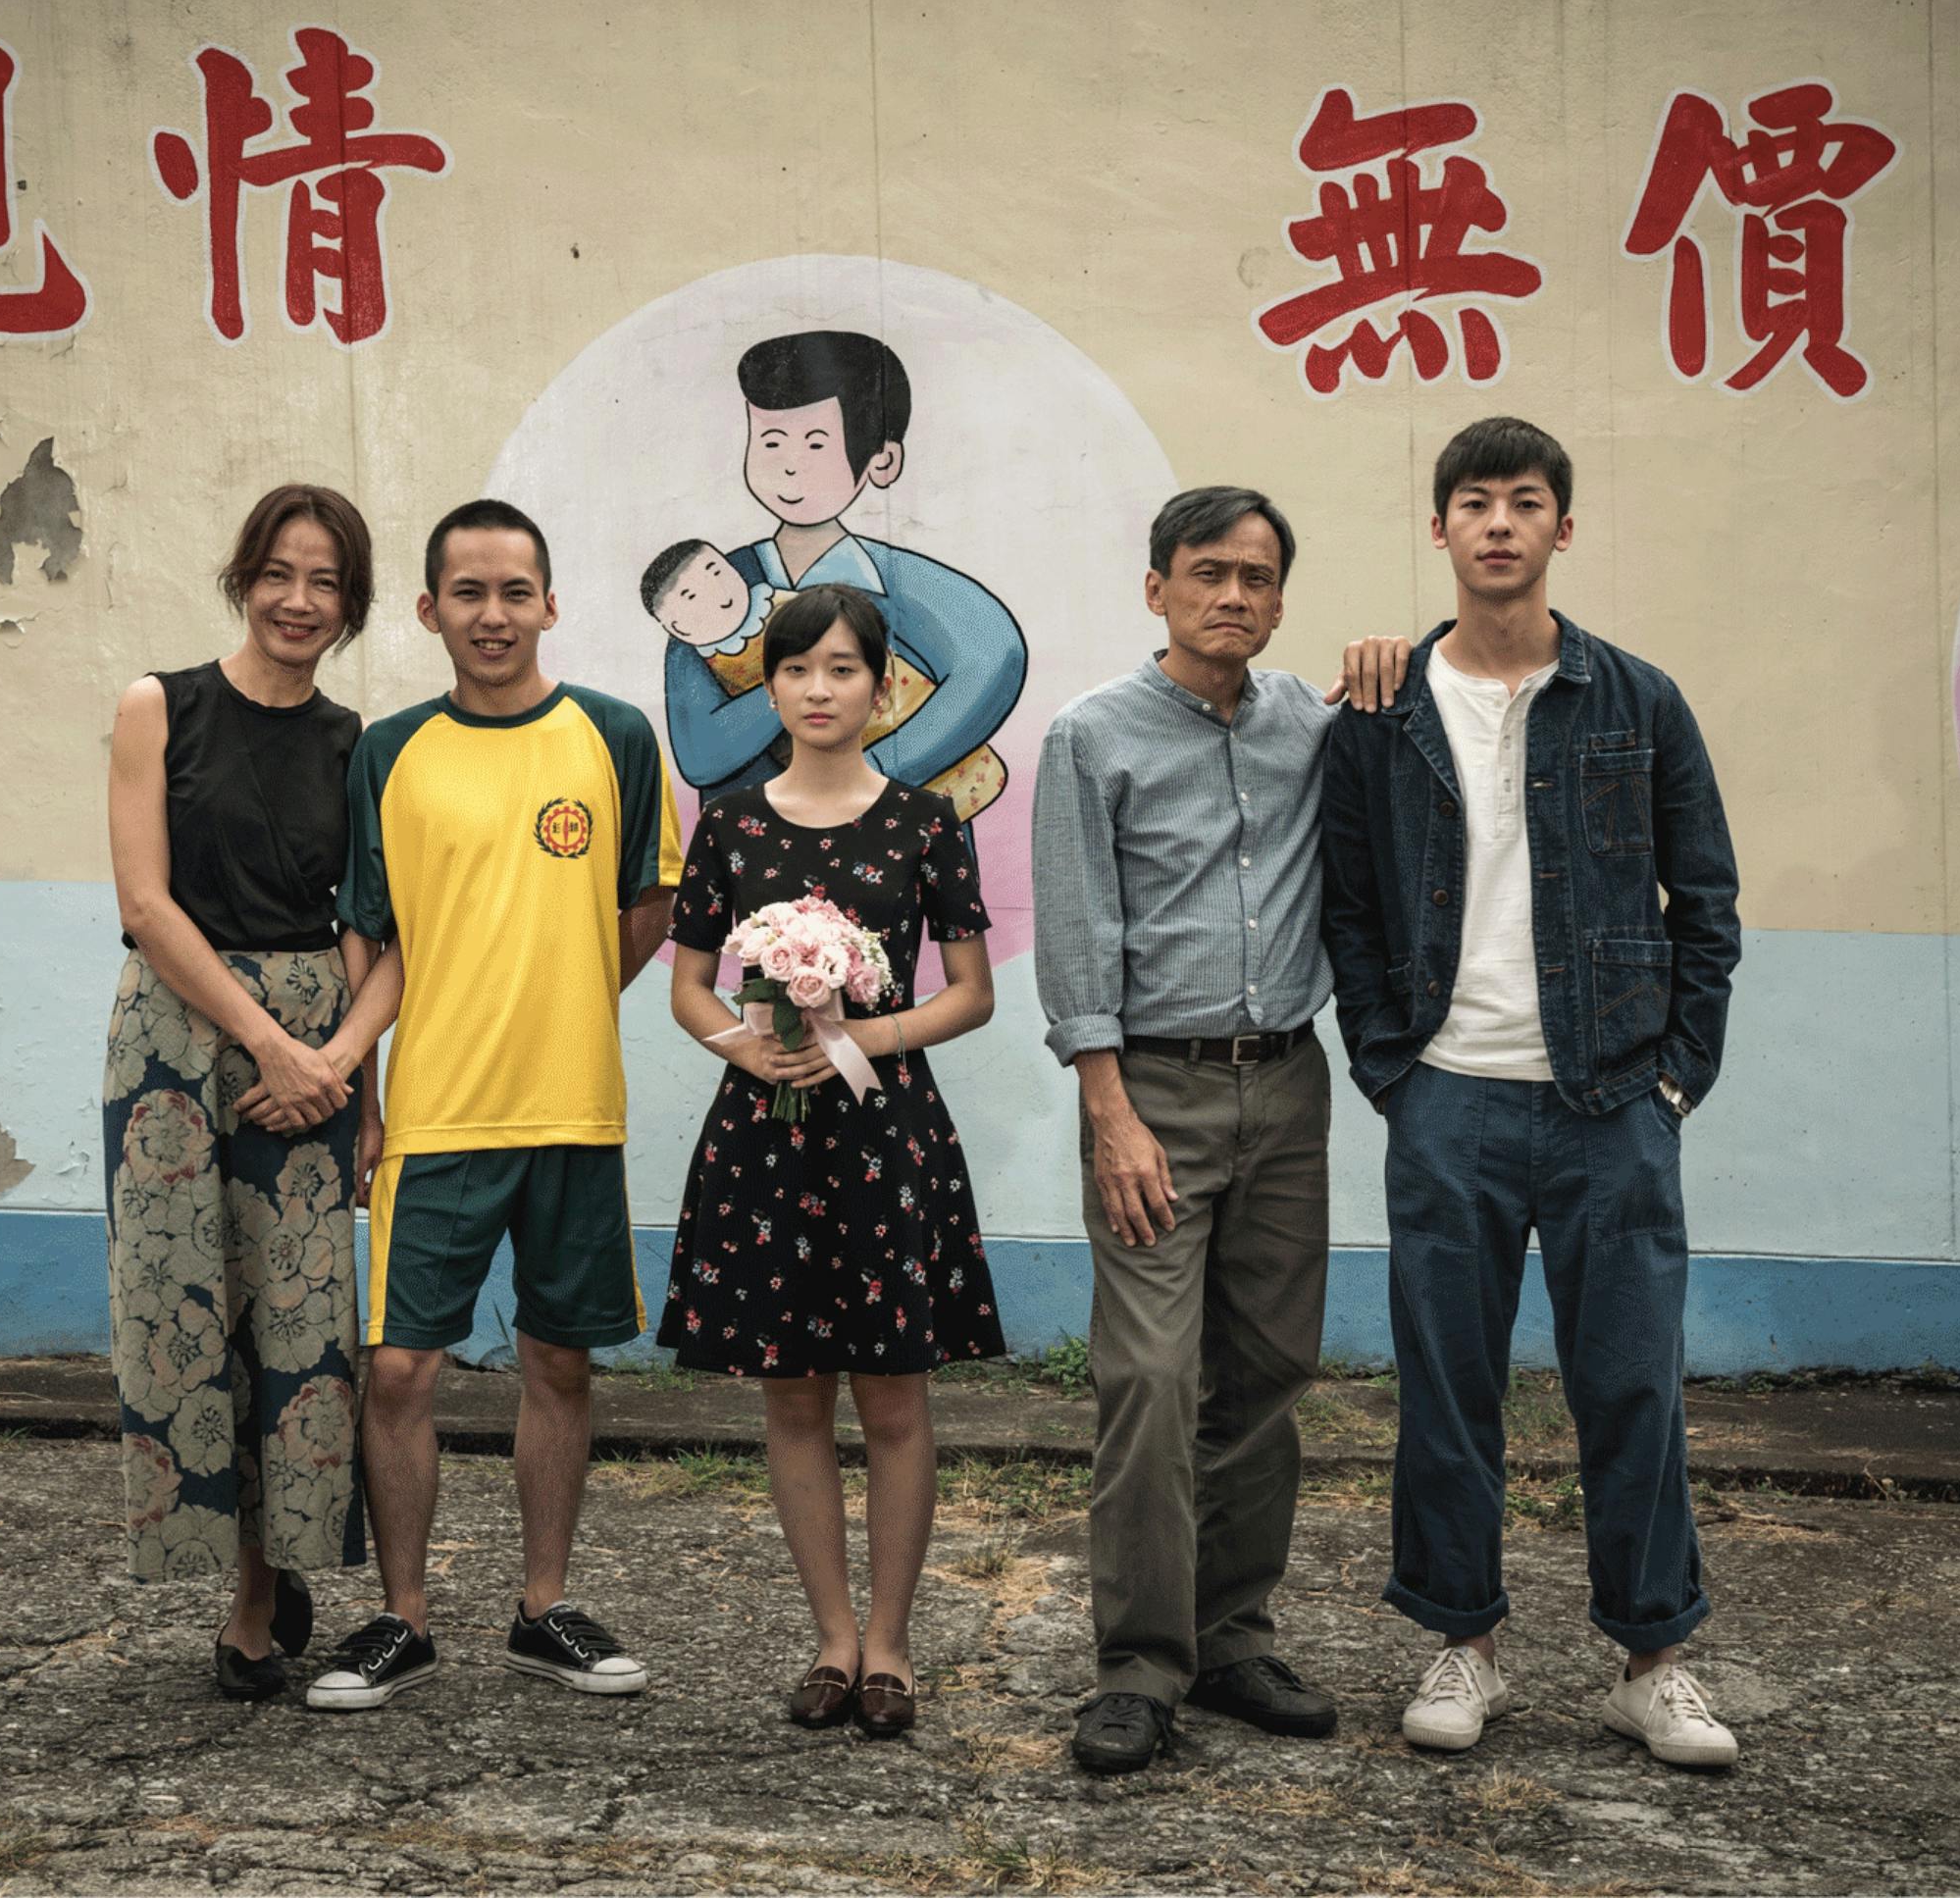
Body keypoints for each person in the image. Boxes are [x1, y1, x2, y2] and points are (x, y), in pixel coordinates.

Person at [1318, 417, 1744, 1769]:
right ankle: (1464, 1641)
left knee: (1631, 1386)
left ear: (1563, 529)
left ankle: (1653, 1660)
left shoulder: (1637, 700)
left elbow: (1707, 903)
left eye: (1523, 502)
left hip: (1611, 1101)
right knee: (1448, 1388)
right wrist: (1392, 1070)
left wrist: (1674, 1078)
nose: (1496, 523)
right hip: (1447, 1098)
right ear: (1435, 529)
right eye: (1471, 502)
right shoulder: (1379, 716)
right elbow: (1347, 910)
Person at [1030, 485, 1408, 1775]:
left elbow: (1426, 707)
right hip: (1152, 1093)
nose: (1231, 595)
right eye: (1206, 573)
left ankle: (1233, 1632)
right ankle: (1138, 1663)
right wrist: (1108, 1110)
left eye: (1255, 575)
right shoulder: (1092, 735)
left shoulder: (1310, 719)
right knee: (1147, 1376)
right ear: (1156, 589)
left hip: (1284, 1088)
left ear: (1279, 595)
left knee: (1263, 1371)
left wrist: (1392, 662)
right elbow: (1077, 931)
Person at [306, 499, 683, 1713]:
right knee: (402, 1368)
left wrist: (558, 994)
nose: (492, 614)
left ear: (550, 603)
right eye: (466, 593)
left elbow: (644, 907)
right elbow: (370, 935)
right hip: (434, 1115)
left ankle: (543, 1607)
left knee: (557, 1359)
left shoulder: (615, 736)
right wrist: (362, 1097)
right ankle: (402, 1618)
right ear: (428, 610)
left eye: (515, 591)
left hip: (572, 1109)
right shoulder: (391, 749)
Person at [660, 584, 1005, 1739]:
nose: (818, 689)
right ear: (771, 682)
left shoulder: (923, 822)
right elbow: (686, 986)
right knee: (792, 1394)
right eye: (797, 668)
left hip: (883, 1135)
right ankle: (829, 1640)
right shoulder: (731, 822)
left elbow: (969, 994)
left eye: (844, 669)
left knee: (894, 1397)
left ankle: (893, 1647)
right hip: (764, 1140)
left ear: (879, 685)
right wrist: (753, 1053)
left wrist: (861, 1036)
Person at [102, 481, 402, 1701]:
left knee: (302, 1331)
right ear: (244, 576)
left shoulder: (359, 745)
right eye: (280, 571)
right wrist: (265, 1041)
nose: (298, 599)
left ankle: (257, 1596)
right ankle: (239, 1562)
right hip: (174, 1043)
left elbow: (370, 936)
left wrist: (344, 1078)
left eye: (325, 580)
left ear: (352, 603)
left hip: (315, 1054)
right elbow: (143, 903)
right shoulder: (156, 706)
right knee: (184, 1312)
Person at [658, 332, 1026, 827]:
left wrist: (877, 769)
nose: (789, 466)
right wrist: (800, 686)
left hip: (896, 840)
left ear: (882, 461)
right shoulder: (713, 588)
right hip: (760, 846)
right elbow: (702, 755)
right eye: (770, 441)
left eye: (815, 443)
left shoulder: (899, 580)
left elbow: (995, 655)